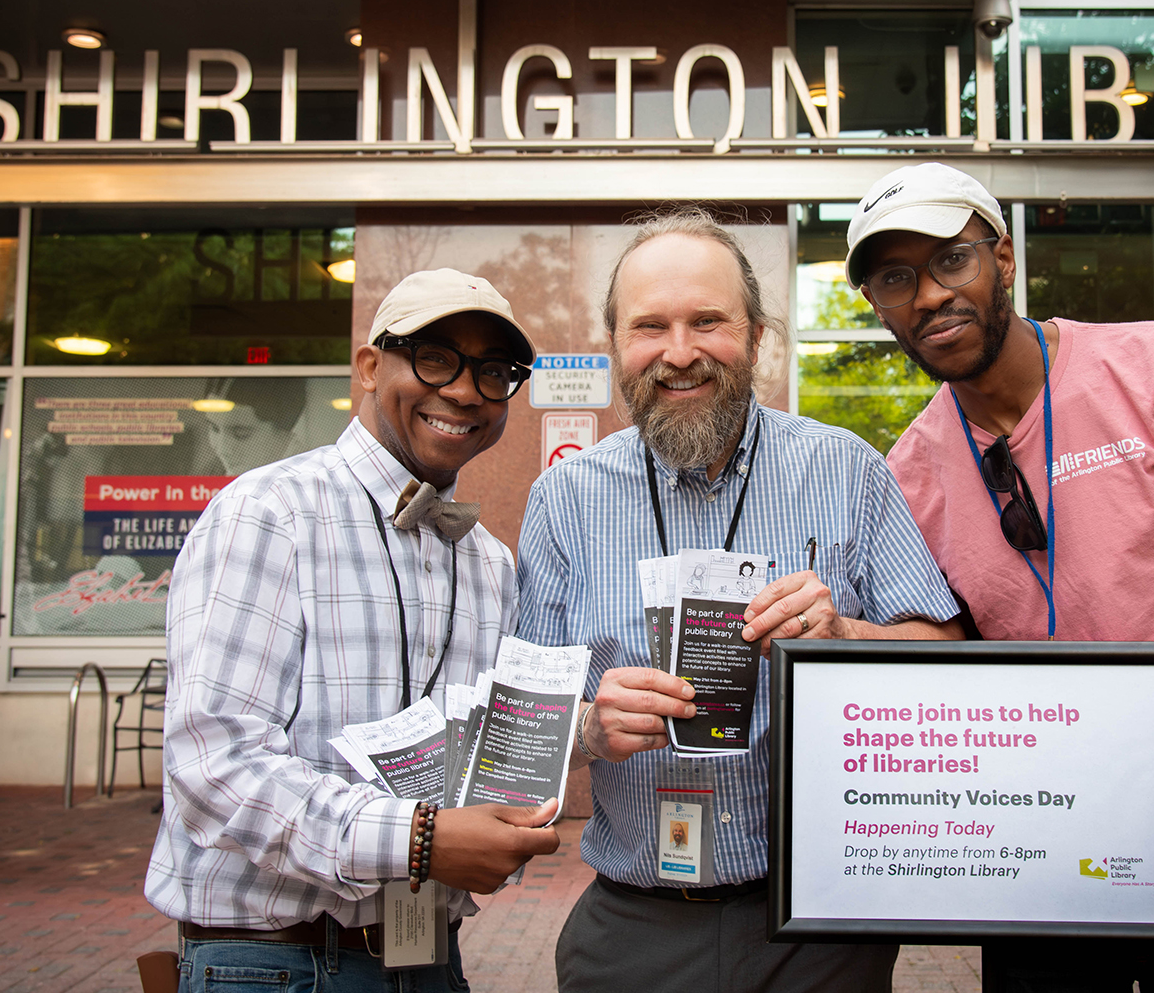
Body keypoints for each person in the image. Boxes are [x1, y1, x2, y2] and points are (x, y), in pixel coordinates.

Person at [853, 163, 1154, 993]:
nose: (926, 296)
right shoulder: (909, 473)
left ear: (1006, 259)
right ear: (880, 306)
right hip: (1045, 855)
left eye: (951, 260)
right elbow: (940, 663)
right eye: (894, 279)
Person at [515, 207, 962, 993]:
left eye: (708, 322)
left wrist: (846, 633)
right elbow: (521, 727)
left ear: (757, 336)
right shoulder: (564, 497)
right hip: (632, 930)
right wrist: (589, 723)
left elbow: (947, 657)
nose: (679, 353)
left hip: (818, 930)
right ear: (617, 344)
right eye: (649, 326)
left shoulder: (845, 469)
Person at [147, 269, 563, 993]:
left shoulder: (490, 561)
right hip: (276, 965)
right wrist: (421, 840)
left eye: (495, 372)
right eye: (436, 357)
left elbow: (480, 751)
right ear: (370, 367)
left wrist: (581, 735)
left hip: (428, 955)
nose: (466, 390)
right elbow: (214, 766)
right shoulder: (268, 512)